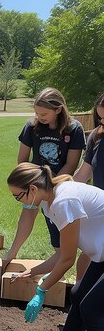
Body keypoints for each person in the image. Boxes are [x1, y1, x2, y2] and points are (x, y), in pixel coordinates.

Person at [8, 162, 104, 331]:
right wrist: (34, 271)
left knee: (93, 309)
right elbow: (61, 254)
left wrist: (42, 290)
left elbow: (68, 261)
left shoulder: (64, 201)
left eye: (18, 196)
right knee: (79, 294)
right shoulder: (49, 202)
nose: (19, 202)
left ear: (32, 188)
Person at [3, 88, 85, 271]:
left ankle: (60, 259)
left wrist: (50, 186)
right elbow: (22, 160)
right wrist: (30, 182)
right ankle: (11, 255)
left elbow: (71, 165)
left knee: (57, 223)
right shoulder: (31, 127)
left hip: (58, 185)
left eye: (44, 113)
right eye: (36, 113)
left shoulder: (74, 129)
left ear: (58, 110)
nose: (39, 117)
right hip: (34, 182)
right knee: (28, 211)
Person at [72, 92, 104, 280]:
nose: (102, 122)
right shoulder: (96, 137)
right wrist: (60, 193)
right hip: (99, 211)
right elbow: (83, 174)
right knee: (85, 261)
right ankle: (78, 302)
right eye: (100, 118)